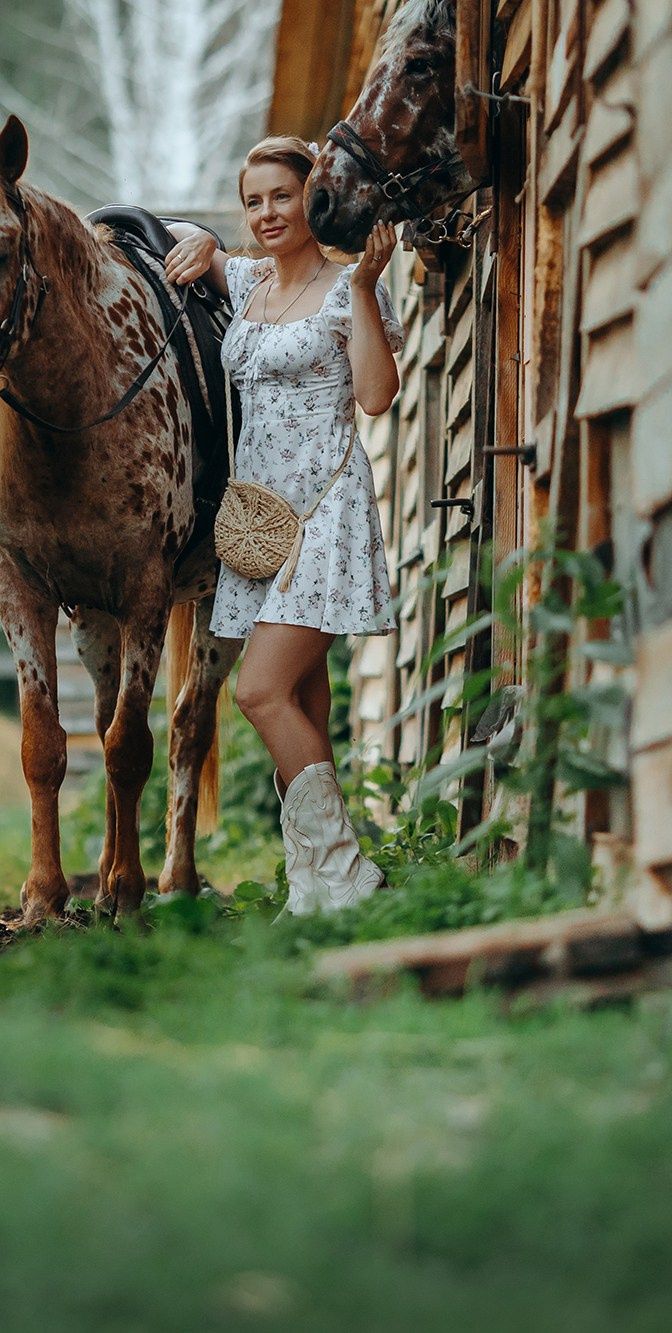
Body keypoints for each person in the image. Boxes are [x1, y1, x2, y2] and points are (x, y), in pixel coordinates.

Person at [162, 135, 404, 916]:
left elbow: (373, 396)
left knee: (259, 691)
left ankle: (348, 871)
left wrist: (367, 286)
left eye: (283, 195)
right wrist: (202, 239)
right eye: (254, 200)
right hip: (261, 528)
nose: (268, 212)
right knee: (305, 697)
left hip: (324, 515)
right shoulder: (253, 284)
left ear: (314, 197)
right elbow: (210, 255)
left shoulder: (344, 289)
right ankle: (314, 886)